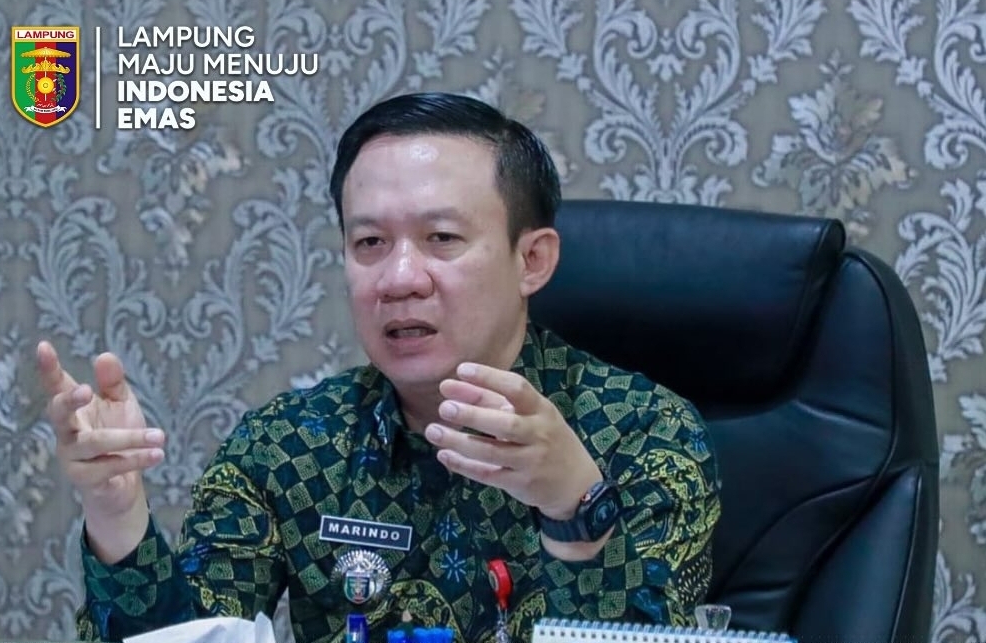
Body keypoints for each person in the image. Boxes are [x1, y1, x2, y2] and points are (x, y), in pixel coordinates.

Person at [38, 92, 721, 643]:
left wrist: (575, 510)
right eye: (369, 242)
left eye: (441, 238)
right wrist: (116, 514)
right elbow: (198, 632)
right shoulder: (287, 446)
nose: (398, 279)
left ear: (531, 260)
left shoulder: (646, 434)